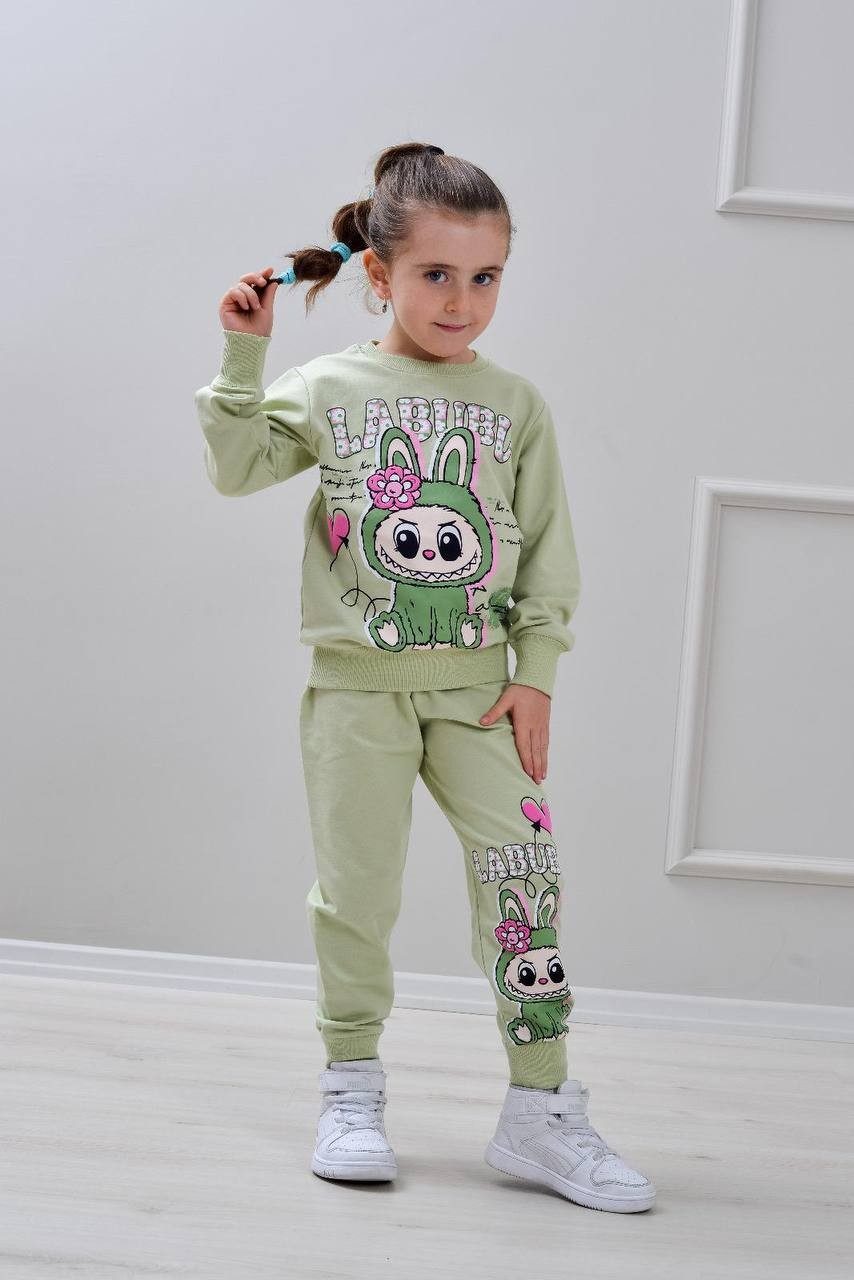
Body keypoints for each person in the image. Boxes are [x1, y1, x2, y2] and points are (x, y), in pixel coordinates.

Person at [194, 141, 655, 1212]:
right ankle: (350, 1088)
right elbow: (237, 468)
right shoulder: (329, 386)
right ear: (379, 273)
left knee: (523, 878)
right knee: (357, 896)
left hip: (482, 689)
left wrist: (537, 673)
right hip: (354, 691)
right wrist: (242, 357)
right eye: (436, 274)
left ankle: (539, 1110)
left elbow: (546, 550)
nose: (461, 301)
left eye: (485, 276)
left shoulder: (514, 403)